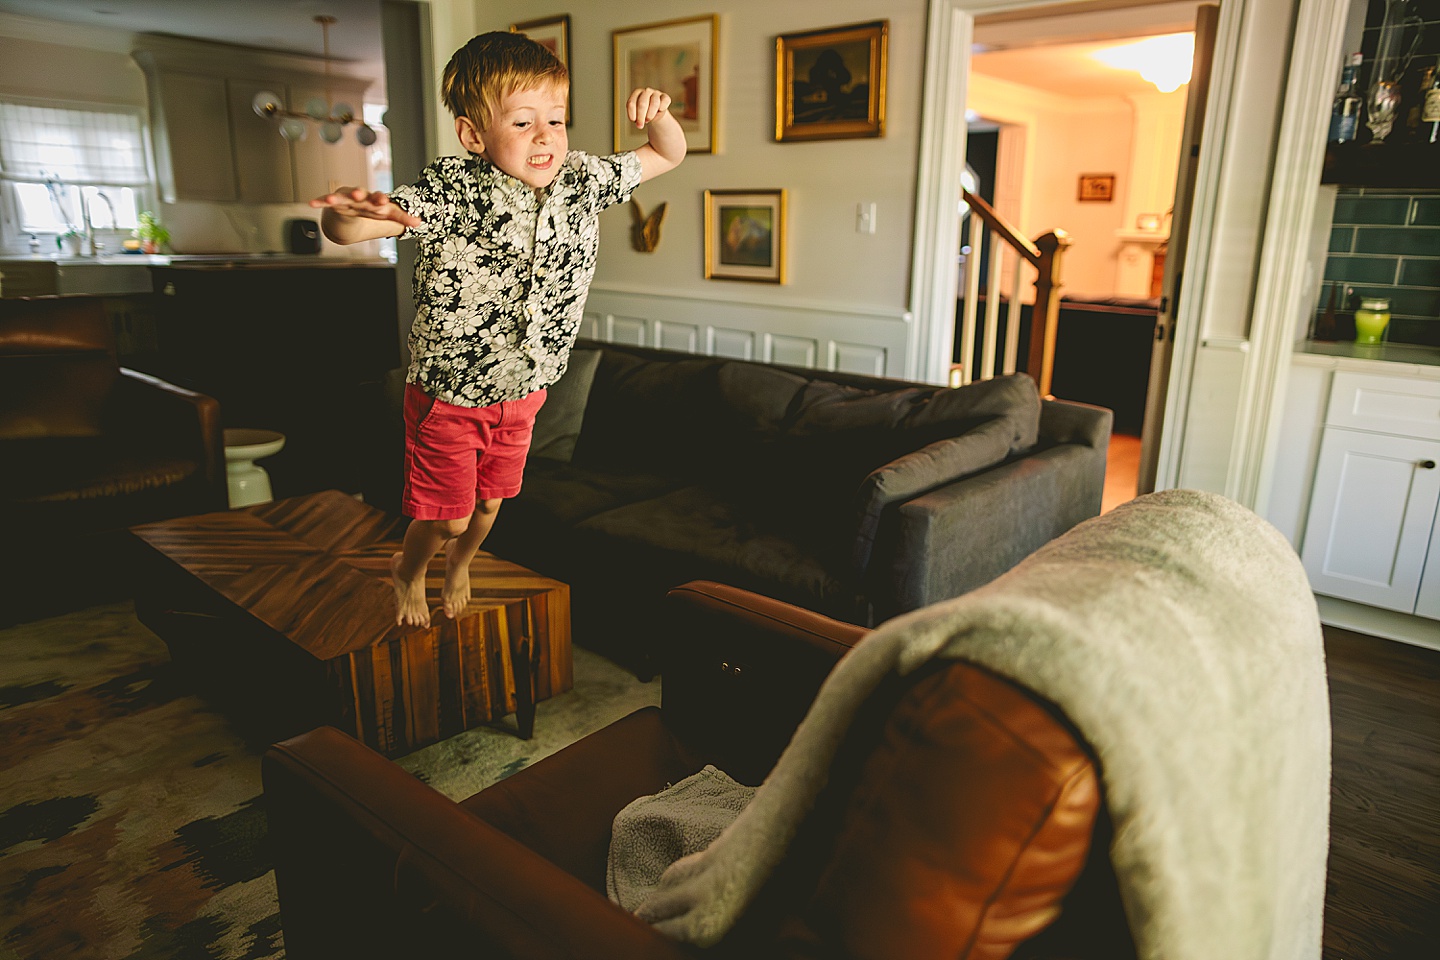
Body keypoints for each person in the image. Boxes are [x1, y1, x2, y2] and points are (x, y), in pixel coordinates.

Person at [312, 31, 685, 627]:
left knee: (488, 507)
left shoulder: (582, 181)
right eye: (522, 122)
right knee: (449, 516)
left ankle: (459, 565)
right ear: (473, 134)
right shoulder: (453, 192)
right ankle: (407, 570)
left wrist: (661, 116)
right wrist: (351, 213)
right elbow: (351, 231)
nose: (546, 136)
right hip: (451, 394)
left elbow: (666, 155)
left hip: (525, 389)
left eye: (557, 120)